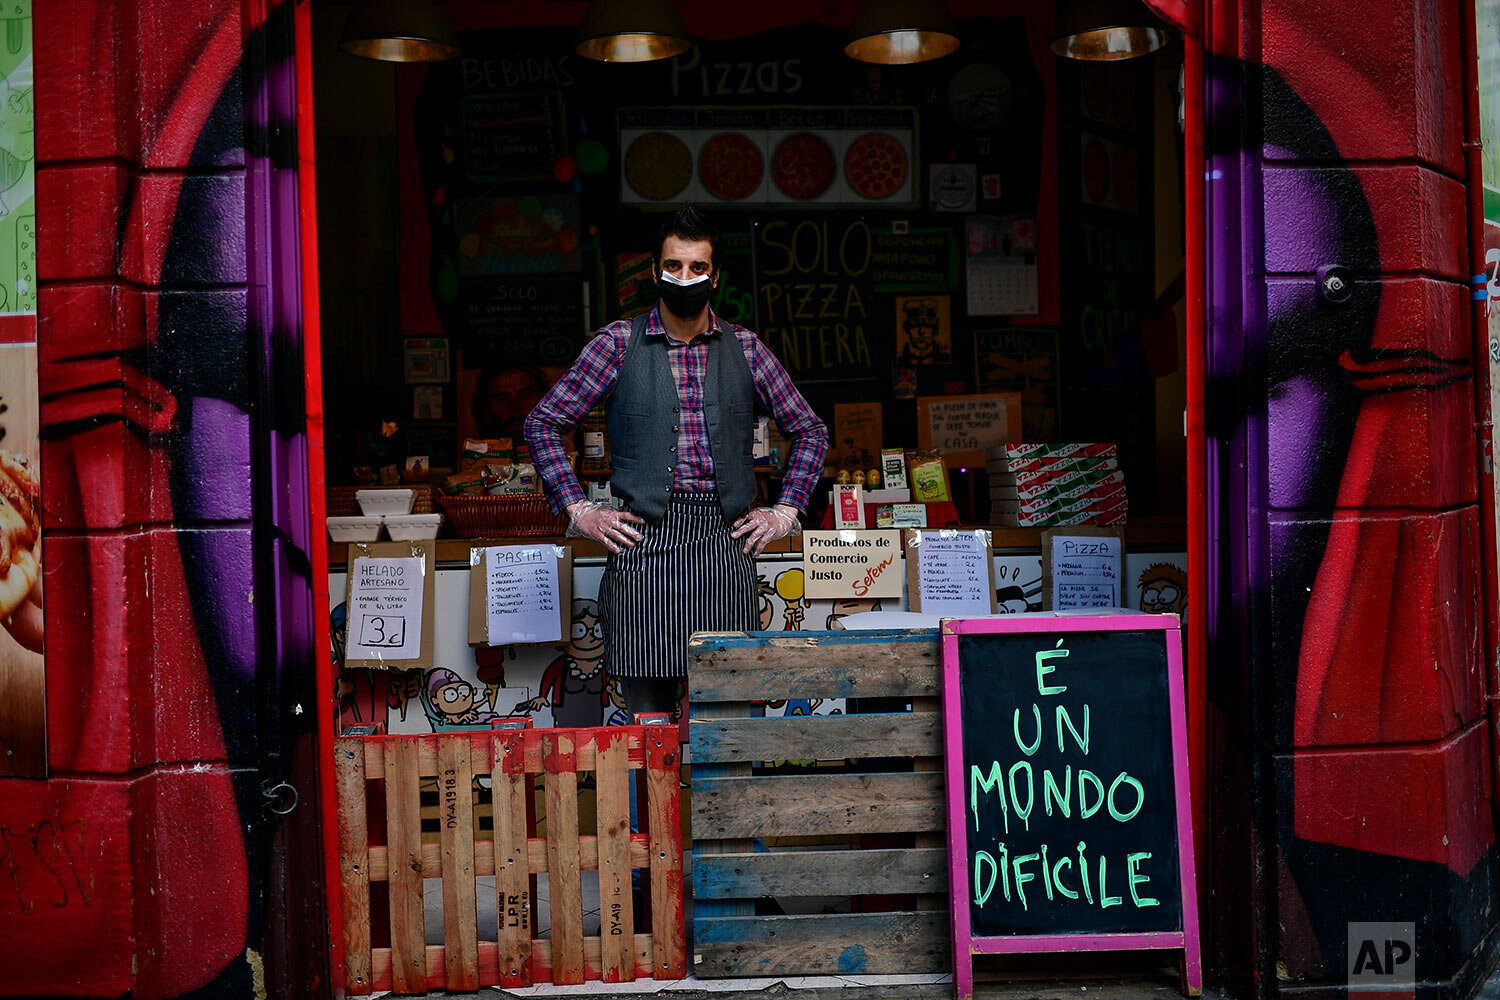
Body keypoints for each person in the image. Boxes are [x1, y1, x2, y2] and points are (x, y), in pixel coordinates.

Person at [525, 206, 828, 715]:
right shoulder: (616, 345)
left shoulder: (748, 350)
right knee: (649, 728)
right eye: (674, 266)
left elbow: (811, 431)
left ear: (715, 276)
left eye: (697, 268)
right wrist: (581, 511)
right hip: (642, 548)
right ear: (654, 272)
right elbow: (543, 423)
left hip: (721, 547)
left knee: (725, 724)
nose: (684, 278)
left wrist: (786, 511)